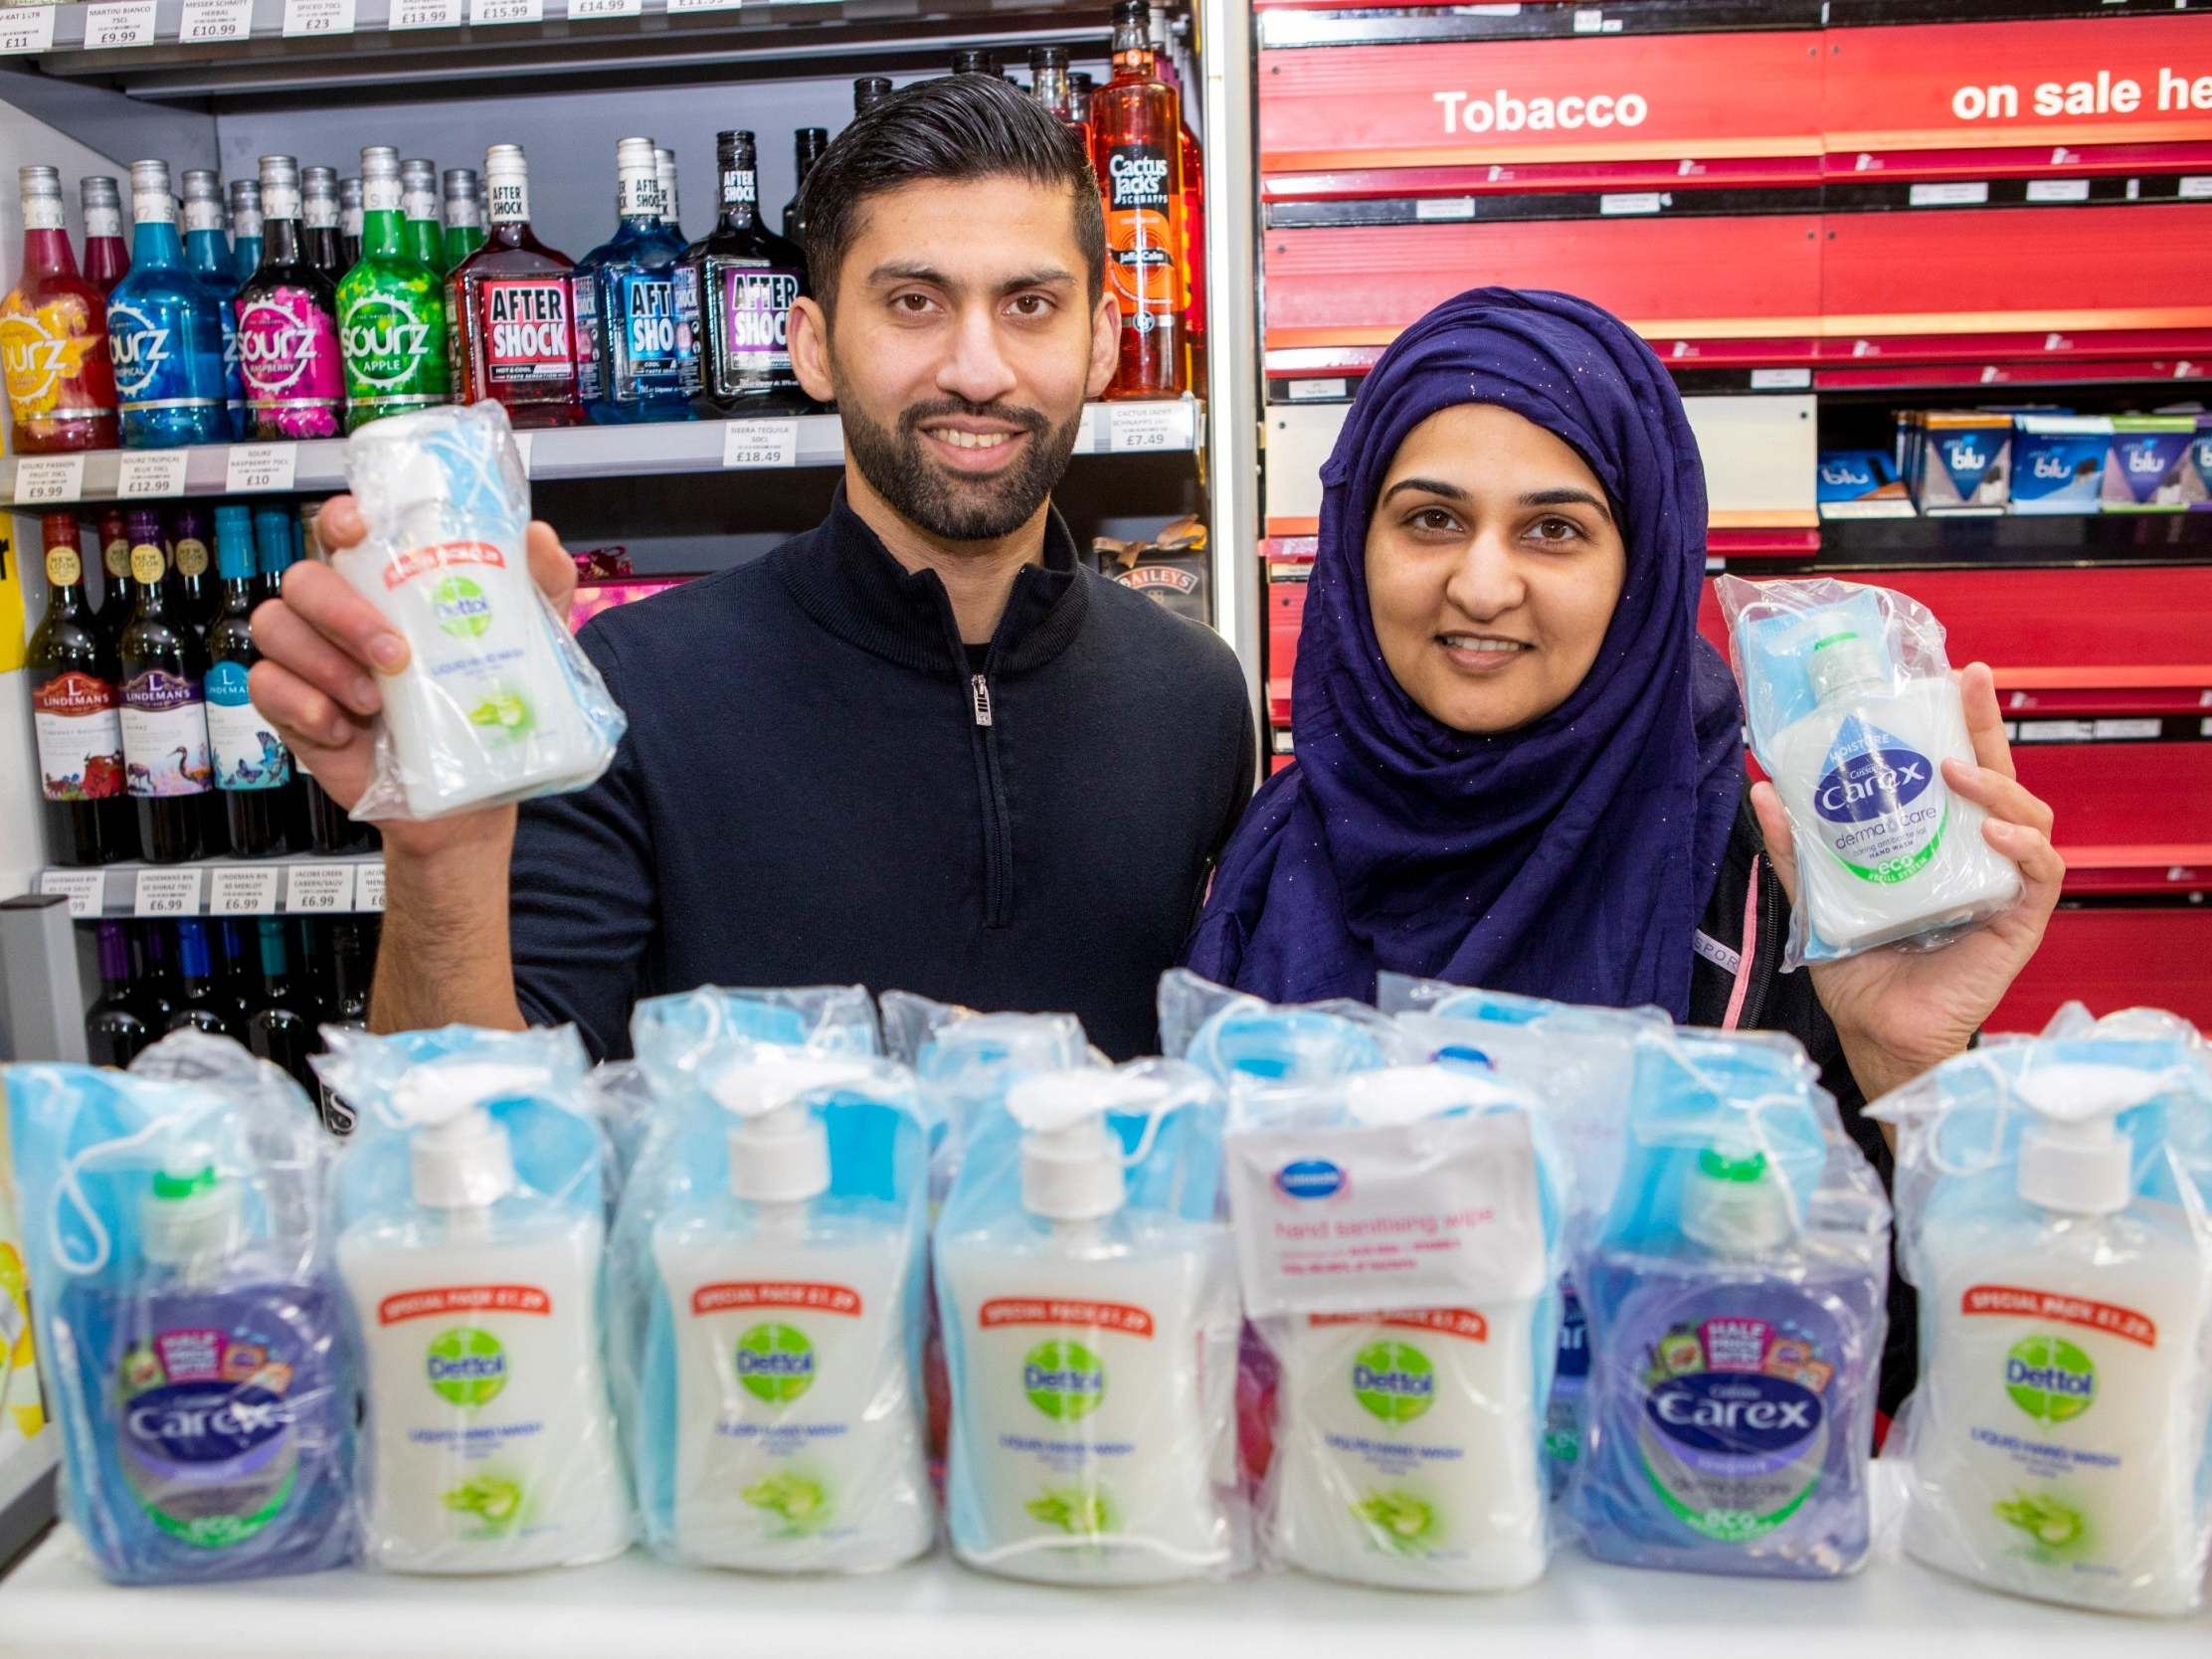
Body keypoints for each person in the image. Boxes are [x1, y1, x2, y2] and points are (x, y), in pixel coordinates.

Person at [249, 77, 1254, 1061]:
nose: (976, 370)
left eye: (1030, 304)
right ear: (811, 346)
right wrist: (442, 857)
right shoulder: (630, 688)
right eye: (913, 302)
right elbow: (473, 1161)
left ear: (1100, 346)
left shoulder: (1196, 697)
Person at [1184, 289, 2063, 1399]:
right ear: (1355, 546)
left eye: (1554, 529)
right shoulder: (1259, 864)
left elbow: (1918, 1381)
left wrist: (1916, 1072)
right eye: (1430, 519)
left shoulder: (1764, 882)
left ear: (1643, 563)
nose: (1482, 583)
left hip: (1664, 1536)